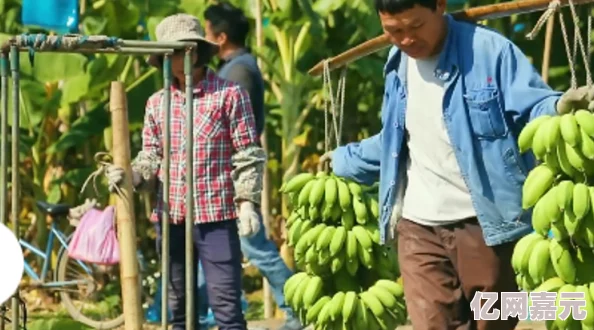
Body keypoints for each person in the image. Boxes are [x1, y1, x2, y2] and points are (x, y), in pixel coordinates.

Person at [318, 0, 594, 329]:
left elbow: (532, 108)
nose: (406, 40)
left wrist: (561, 105)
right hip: (419, 228)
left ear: (440, 6)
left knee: (495, 320)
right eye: (394, 31)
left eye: (415, 27)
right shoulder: (397, 65)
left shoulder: (491, 51)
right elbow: (395, 140)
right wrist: (343, 159)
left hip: (488, 226)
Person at [104, 13, 266, 330]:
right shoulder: (157, 103)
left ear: (199, 51)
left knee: (226, 307)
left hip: (215, 215)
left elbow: (248, 153)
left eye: (184, 51)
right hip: (171, 215)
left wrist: (247, 201)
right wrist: (131, 176)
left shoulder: (229, 95)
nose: (179, 60)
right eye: (172, 53)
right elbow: (150, 156)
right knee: (177, 308)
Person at [200, 3, 303, 330]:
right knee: (207, 246)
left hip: (236, 175)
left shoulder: (239, 71)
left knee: (255, 247)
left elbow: (238, 131)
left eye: (205, 33)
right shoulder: (233, 67)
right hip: (222, 174)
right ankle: (203, 315)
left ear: (221, 36)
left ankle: (298, 309)